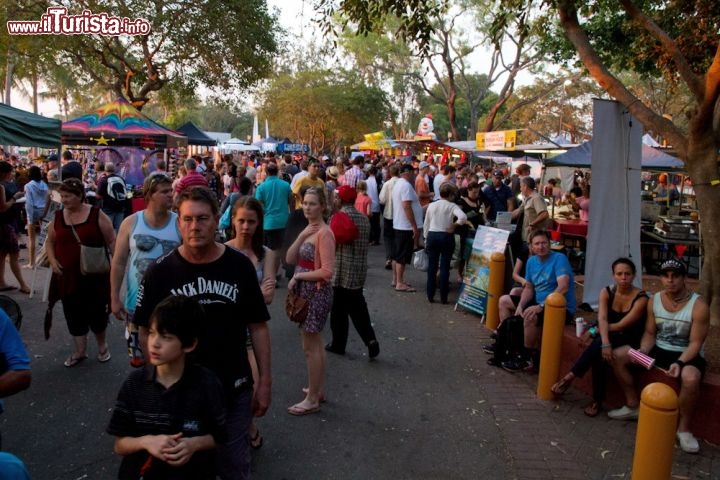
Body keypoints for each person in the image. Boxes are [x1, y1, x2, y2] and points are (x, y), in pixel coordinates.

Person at [133, 186, 271, 479]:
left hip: (232, 387)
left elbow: (258, 326)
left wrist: (265, 382)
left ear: (216, 219)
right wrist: (154, 379)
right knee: (187, 468)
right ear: (178, 222)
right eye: (187, 219)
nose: (195, 226)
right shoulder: (160, 272)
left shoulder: (239, 266)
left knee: (234, 463)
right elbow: (144, 329)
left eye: (203, 218)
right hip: (181, 394)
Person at [107, 295, 226, 480]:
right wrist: (147, 442)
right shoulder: (134, 384)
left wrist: (194, 444)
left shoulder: (206, 384)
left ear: (190, 344)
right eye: (152, 333)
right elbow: (120, 444)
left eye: (166, 337)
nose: (154, 343)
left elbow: (220, 436)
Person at [608, 259, 709, 453]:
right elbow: (650, 333)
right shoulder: (654, 300)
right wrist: (643, 351)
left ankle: (684, 429)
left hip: (686, 354)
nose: (670, 280)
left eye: (676, 276)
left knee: (691, 377)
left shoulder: (699, 305)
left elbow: (696, 343)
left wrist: (680, 362)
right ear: (661, 278)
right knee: (619, 355)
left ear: (684, 278)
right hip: (660, 349)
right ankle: (632, 406)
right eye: (666, 276)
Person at [551, 258, 648, 417]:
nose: (623, 278)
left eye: (627, 274)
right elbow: (602, 318)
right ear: (613, 275)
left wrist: (598, 334)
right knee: (599, 354)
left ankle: (571, 376)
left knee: (598, 346)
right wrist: (604, 341)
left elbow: (623, 325)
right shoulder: (607, 292)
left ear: (634, 275)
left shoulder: (642, 298)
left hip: (629, 337)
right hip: (610, 335)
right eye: (619, 274)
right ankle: (596, 400)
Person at [111, 173, 180, 368]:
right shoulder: (131, 223)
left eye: (171, 190)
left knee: (170, 359)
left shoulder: (179, 223)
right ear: (149, 194)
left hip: (171, 305)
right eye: (164, 191)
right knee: (139, 361)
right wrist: (114, 297)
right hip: (136, 305)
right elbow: (118, 263)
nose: (170, 195)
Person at [45, 178, 116, 367]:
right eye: (62, 196)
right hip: (68, 277)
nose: (64, 200)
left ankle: (102, 346)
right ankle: (80, 351)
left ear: (79, 196)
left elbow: (111, 240)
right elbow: (50, 242)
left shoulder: (96, 214)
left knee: (98, 314)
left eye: (68, 196)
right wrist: (52, 261)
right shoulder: (58, 216)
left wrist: (118, 265)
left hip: (94, 276)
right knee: (73, 314)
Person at [285, 187, 335, 415]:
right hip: (306, 291)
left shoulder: (325, 233)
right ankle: (318, 389)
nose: (307, 207)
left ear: (322, 206)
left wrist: (299, 276)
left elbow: (327, 271)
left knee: (310, 347)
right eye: (305, 203)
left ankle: (312, 398)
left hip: (315, 292)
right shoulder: (310, 230)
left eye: (312, 203)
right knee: (315, 344)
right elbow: (289, 258)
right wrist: (302, 236)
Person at [497, 230, 576, 372]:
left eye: (544, 243)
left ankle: (527, 358)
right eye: (537, 244)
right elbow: (529, 288)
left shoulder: (559, 259)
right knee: (504, 301)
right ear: (531, 247)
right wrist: (520, 305)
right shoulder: (531, 261)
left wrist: (540, 306)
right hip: (539, 301)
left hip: (559, 307)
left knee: (530, 316)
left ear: (550, 244)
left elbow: (563, 287)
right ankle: (509, 345)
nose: (541, 247)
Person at [326, 185, 379, 358]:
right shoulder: (364, 219)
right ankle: (370, 340)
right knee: (358, 308)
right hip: (359, 269)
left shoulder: (337, 217)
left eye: (336, 197)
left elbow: (331, 244)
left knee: (339, 310)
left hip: (340, 271)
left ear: (340, 200)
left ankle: (338, 343)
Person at [423, 183, 467, 304]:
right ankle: (443, 297)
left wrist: (426, 239)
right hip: (446, 236)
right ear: (451, 194)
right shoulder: (452, 206)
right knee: (445, 267)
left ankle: (430, 295)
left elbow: (426, 224)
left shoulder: (432, 205)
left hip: (432, 235)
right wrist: (455, 225)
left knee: (432, 267)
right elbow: (463, 217)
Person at [391, 163, 423, 293]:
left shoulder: (399, 183)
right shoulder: (405, 185)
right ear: (408, 172)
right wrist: (414, 226)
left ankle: (396, 279)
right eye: (413, 172)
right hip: (405, 226)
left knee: (397, 254)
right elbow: (406, 206)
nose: (414, 175)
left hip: (399, 224)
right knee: (402, 256)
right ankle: (399, 282)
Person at [0, 162, 30, 294]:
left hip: (5, 223)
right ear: (5, 173)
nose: (12, 174)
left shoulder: (4, 185)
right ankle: (23, 284)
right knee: (14, 254)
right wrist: (14, 198)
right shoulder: (0, 186)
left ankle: (2, 283)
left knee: (2, 255)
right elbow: (3, 207)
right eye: (11, 171)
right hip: (5, 224)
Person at [254, 162, 293, 258]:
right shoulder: (286, 185)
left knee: (269, 252)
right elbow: (291, 202)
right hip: (284, 222)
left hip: (268, 223)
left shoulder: (261, 187)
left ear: (266, 172)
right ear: (277, 172)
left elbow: (258, 206)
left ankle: (272, 270)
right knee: (282, 250)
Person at [456, 180, 485, 281]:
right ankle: (459, 274)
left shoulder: (479, 201)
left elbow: (482, 213)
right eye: (474, 192)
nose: (476, 194)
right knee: (464, 254)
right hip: (465, 231)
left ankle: (470, 274)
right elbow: (458, 217)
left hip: (478, 230)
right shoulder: (461, 201)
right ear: (468, 190)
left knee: (474, 254)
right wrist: (468, 222)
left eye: (478, 192)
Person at [22, 166, 48, 269]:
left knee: (32, 239)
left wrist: (29, 218)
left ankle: (31, 263)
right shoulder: (44, 185)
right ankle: (43, 259)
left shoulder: (28, 186)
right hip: (44, 211)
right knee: (46, 238)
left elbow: (29, 203)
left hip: (34, 211)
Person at [513, 176, 549, 244]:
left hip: (535, 236)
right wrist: (504, 217)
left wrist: (532, 224)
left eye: (521, 187)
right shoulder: (527, 198)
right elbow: (518, 211)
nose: (520, 189)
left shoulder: (536, 198)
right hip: (528, 236)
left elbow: (544, 214)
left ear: (525, 186)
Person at [378, 164, 400, 270]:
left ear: (390, 173)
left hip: (388, 214)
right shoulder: (402, 184)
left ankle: (389, 257)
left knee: (387, 237)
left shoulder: (387, 184)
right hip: (399, 215)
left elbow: (381, 199)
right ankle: (395, 257)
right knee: (396, 236)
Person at [96, 162, 128, 231]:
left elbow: (98, 196)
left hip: (108, 208)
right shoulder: (121, 179)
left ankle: (111, 241)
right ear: (114, 169)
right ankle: (118, 241)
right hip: (120, 207)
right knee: (119, 228)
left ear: (105, 170)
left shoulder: (103, 180)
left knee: (108, 229)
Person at [365, 165, 382, 245]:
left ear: (368, 172)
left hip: (368, 205)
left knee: (369, 224)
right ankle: (376, 239)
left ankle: (370, 238)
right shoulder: (378, 181)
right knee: (376, 223)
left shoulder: (366, 182)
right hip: (377, 205)